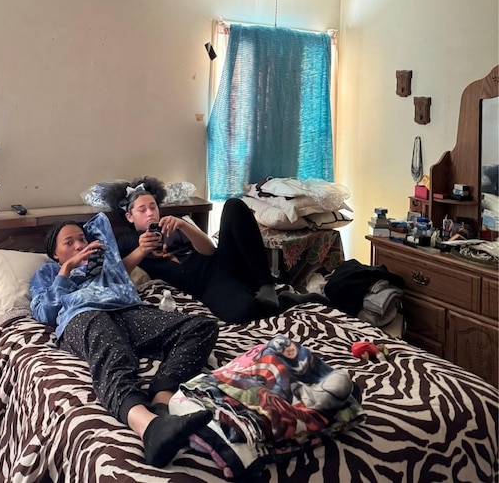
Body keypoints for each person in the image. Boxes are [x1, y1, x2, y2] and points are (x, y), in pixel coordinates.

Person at [29, 212, 218, 468]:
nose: (79, 246)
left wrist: (107, 262)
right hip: (83, 315)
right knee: (114, 352)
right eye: (69, 242)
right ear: (54, 253)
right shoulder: (49, 272)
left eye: (82, 239)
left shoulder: (107, 265)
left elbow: (124, 268)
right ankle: (148, 427)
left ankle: (161, 405)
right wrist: (67, 269)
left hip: (126, 311)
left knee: (201, 327)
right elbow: (45, 313)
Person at [106, 176, 327, 324]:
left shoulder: (175, 224)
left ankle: (266, 283)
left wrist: (184, 226)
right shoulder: (127, 241)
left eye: (153, 207)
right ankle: (289, 299)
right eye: (142, 210)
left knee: (233, 206)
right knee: (240, 313)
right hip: (206, 285)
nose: (149, 213)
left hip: (221, 263)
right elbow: (117, 273)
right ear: (129, 216)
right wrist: (141, 252)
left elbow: (210, 251)